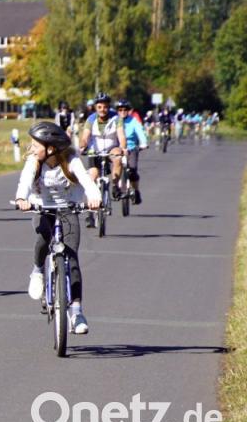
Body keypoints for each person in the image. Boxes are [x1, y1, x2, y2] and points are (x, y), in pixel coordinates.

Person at [15, 122, 101, 335]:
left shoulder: (71, 160)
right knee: (43, 239)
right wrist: (21, 198)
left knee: (72, 259)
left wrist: (94, 197)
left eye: (36, 144)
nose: (32, 148)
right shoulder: (34, 162)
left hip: (68, 208)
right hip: (42, 206)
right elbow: (25, 181)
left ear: (51, 148)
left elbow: (86, 181)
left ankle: (77, 311)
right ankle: (37, 271)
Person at [78, 92, 125, 228]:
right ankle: (90, 214)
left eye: (105, 107)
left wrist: (123, 148)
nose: (102, 110)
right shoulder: (91, 119)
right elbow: (85, 136)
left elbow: (121, 136)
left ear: (108, 107)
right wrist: (82, 146)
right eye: (99, 107)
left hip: (111, 148)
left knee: (118, 156)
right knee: (91, 177)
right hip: (95, 150)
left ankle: (115, 185)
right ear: (95, 107)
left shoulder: (116, 118)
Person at [116, 99, 148, 205]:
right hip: (118, 149)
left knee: (132, 170)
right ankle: (115, 186)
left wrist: (143, 143)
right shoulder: (114, 121)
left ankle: (136, 190)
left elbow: (140, 132)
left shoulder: (133, 121)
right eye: (120, 110)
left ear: (129, 110)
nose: (123, 112)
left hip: (131, 149)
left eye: (125, 109)